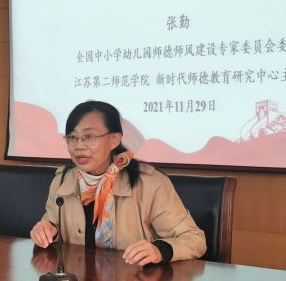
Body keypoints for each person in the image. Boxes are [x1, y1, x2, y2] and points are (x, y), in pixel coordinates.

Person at [30, 101, 205, 266]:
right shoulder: (62, 180)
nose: (78, 146)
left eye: (89, 136)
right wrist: (47, 231)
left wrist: (160, 250)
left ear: (114, 139)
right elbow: (51, 223)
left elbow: (194, 239)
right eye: (72, 137)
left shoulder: (150, 183)